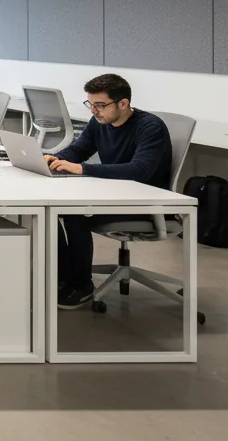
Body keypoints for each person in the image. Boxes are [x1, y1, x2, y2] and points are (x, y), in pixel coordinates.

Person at [44, 74, 172, 309]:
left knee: (75, 215)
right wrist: (56, 159)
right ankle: (61, 280)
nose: (94, 111)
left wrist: (82, 169)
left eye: (100, 105)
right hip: (114, 194)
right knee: (50, 212)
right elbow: (79, 150)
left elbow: (140, 170)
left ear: (123, 104)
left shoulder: (150, 127)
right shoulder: (99, 123)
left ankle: (82, 286)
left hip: (145, 204)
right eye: (90, 104)